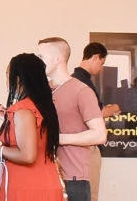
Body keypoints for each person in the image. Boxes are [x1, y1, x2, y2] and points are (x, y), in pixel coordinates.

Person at [0, 53, 63, 201]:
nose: (6, 81)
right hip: (45, 182)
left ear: (17, 80)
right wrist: (9, 121)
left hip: (26, 187)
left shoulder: (22, 110)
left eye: (7, 76)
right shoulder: (42, 107)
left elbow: (28, 156)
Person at [37, 37, 107, 201]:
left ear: (58, 58)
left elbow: (99, 135)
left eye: (41, 57)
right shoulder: (42, 92)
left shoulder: (81, 91)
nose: (37, 62)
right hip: (45, 175)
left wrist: (58, 138)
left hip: (73, 178)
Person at [70, 42, 119, 201]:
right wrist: (112, 110)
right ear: (96, 57)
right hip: (87, 147)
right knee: (90, 194)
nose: (101, 68)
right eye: (102, 63)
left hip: (76, 149)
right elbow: (92, 115)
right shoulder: (83, 83)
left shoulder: (74, 80)